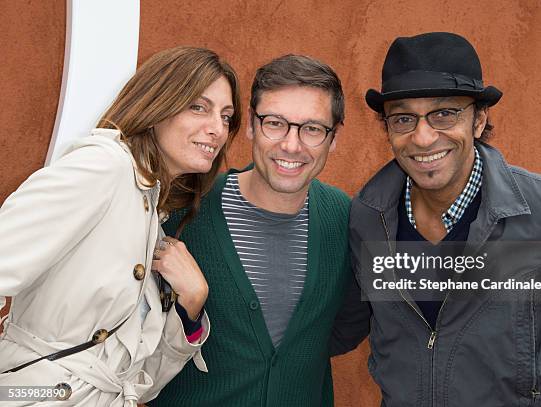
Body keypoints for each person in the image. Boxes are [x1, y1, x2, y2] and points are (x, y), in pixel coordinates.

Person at [348, 32, 541, 406]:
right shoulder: (368, 218)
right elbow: (343, 326)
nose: (423, 137)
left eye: (444, 113)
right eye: (403, 118)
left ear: (478, 119)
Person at [0, 46, 241, 406]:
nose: (217, 129)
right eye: (198, 107)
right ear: (157, 105)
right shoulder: (104, 169)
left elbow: (137, 382)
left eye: (226, 116)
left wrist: (191, 304)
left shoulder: (151, 213)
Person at [150, 54, 356, 407]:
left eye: (312, 129)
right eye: (274, 123)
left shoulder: (346, 217)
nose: (291, 145)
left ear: (333, 138)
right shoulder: (181, 211)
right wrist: (190, 309)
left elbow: (348, 325)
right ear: (249, 126)